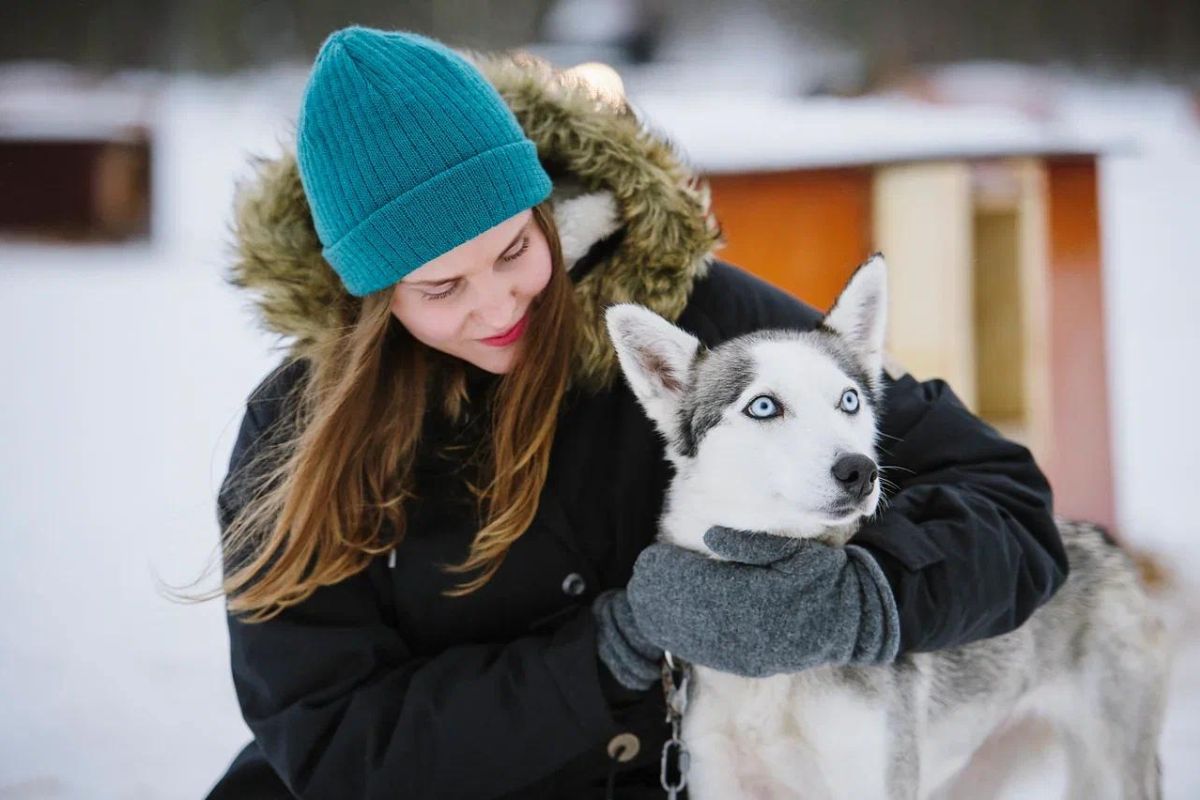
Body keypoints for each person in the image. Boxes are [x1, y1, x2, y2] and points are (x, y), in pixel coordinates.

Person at [204, 26, 1068, 800]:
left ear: (544, 211)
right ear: (370, 297)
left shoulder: (692, 324)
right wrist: (607, 650)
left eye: (514, 248)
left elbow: (1011, 509)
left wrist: (862, 598)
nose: (499, 303)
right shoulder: (299, 436)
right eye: (441, 288)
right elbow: (334, 742)